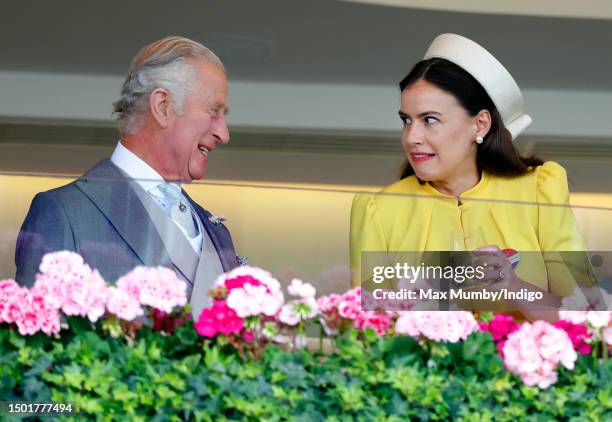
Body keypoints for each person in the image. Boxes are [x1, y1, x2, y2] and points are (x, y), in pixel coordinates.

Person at [350, 34, 592, 319]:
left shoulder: (539, 191)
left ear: (479, 125)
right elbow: (369, 331)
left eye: (429, 120)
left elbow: (586, 319)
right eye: (406, 120)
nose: (411, 137)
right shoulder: (380, 210)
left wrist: (515, 288)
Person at [15, 36, 239, 317]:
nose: (224, 133)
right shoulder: (65, 213)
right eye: (213, 111)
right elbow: (38, 350)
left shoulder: (216, 231)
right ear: (162, 106)